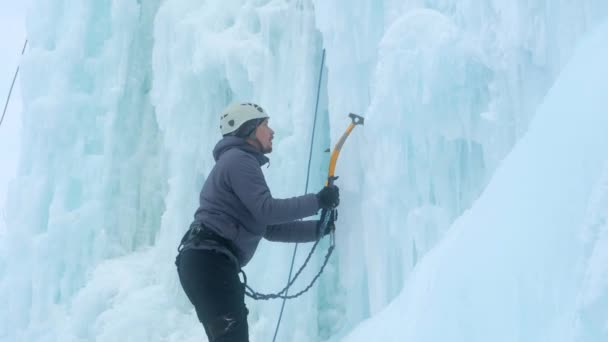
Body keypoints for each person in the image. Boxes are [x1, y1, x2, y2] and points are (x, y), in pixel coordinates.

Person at [175, 102, 340, 342]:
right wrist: (318, 201)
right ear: (248, 129)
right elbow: (268, 211)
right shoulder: (238, 160)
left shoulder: (235, 161)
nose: (271, 131)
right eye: (265, 124)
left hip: (205, 263)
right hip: (210, 262)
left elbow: (270, 229)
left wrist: (321, 228)